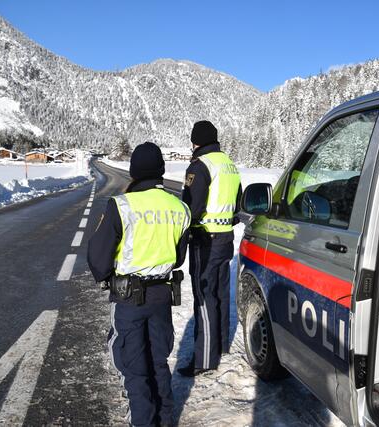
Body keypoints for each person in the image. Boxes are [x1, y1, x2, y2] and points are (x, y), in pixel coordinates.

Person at [87, 142, 190, 427]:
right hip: (162, 296)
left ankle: (142, 422)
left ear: (134, 172)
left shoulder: (121, 205)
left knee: (134, 367)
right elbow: (179, 257)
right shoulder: (179, 208)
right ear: (160, 171)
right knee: (158, 362)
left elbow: (98, 257)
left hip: (129, 298)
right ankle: (165, 420)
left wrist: (107, 276)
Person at [177, 120, 241, 377]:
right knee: (220, 292)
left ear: (196, 141)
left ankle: (204, 358)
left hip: (205, 239)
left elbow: (192, 207)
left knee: (204, 297)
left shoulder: (200, 166)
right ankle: (221, 345)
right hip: (226, 237)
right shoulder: (229, 165)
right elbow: (238, 205)